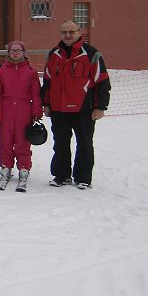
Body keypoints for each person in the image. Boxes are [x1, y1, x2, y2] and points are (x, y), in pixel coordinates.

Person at [41, 20, 110, 189]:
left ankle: (83, 177)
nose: (68, 35)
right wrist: (46, 103)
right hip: (58, 109)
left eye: (71, 31)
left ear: (79, 32)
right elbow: (48, 81)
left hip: (83, 109)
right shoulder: (54, 54)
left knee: (85, 143)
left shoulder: (92, 54)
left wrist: (100, 107)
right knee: (60, 144)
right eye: (64, 32)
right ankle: (61, 175)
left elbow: (102, 81)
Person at [0, 40, 42, 191]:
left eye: (18, 50)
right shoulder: (2, 71)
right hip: (6, 109)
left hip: (24, 109)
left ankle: (24, 167)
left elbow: (36, 94)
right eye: (13, 50)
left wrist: (36, 111)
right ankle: (6, 167)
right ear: (8, 53)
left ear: (23, 53)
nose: (15, 53)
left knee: (22, 140)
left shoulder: (31, 72)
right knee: (5, 140)